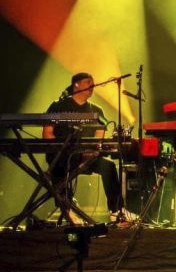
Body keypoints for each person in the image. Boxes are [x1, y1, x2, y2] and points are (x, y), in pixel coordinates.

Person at [43, 72, 129, 221]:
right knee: (57, 165)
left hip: (86, 156)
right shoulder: (58, 106)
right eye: (88, 82)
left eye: (92, 82)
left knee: (108, 166)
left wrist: (91, 152)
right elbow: (47, 133)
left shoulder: (96, 110)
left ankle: (117, 211)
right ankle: (67, 208)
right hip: (62, 155)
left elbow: (99, 135)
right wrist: (62, 151)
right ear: (76, 85)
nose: (92, 85)